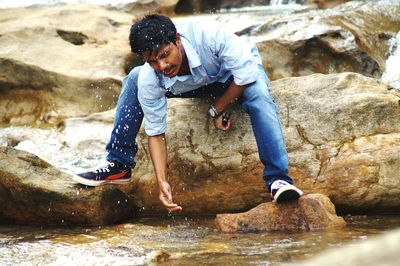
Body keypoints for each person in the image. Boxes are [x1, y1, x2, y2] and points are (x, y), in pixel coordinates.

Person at [73, 14, 303, 212]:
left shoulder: (210, 35)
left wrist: (218, 108)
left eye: (165, 55)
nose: (162, 66)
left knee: (260, 96)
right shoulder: (151, 75)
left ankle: (278, 181)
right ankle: (119, 164)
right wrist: (161, 181)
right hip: (188, 87)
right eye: (152, 61)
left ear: (177, 40)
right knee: (134, 78)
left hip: (229, 78)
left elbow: (246, 75)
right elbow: (156, 131)